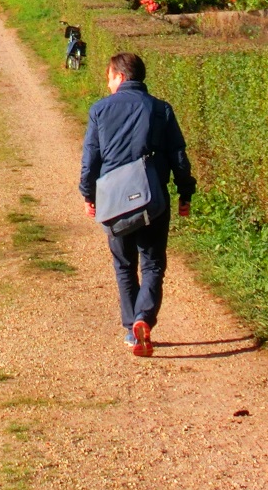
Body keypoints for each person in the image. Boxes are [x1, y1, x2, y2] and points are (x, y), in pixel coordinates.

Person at [79, 52, 196, 357]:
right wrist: (186, 192)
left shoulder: (100, 110)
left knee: (124, 265)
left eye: (109, 77)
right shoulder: (161, 110)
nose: (108, 84)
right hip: (153, 198)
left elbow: (90, 159)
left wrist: (88, 195)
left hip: (114, 201)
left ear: (120, 76)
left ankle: (132, 330)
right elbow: (179, 157)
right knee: (153, 262)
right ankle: (144, 318)